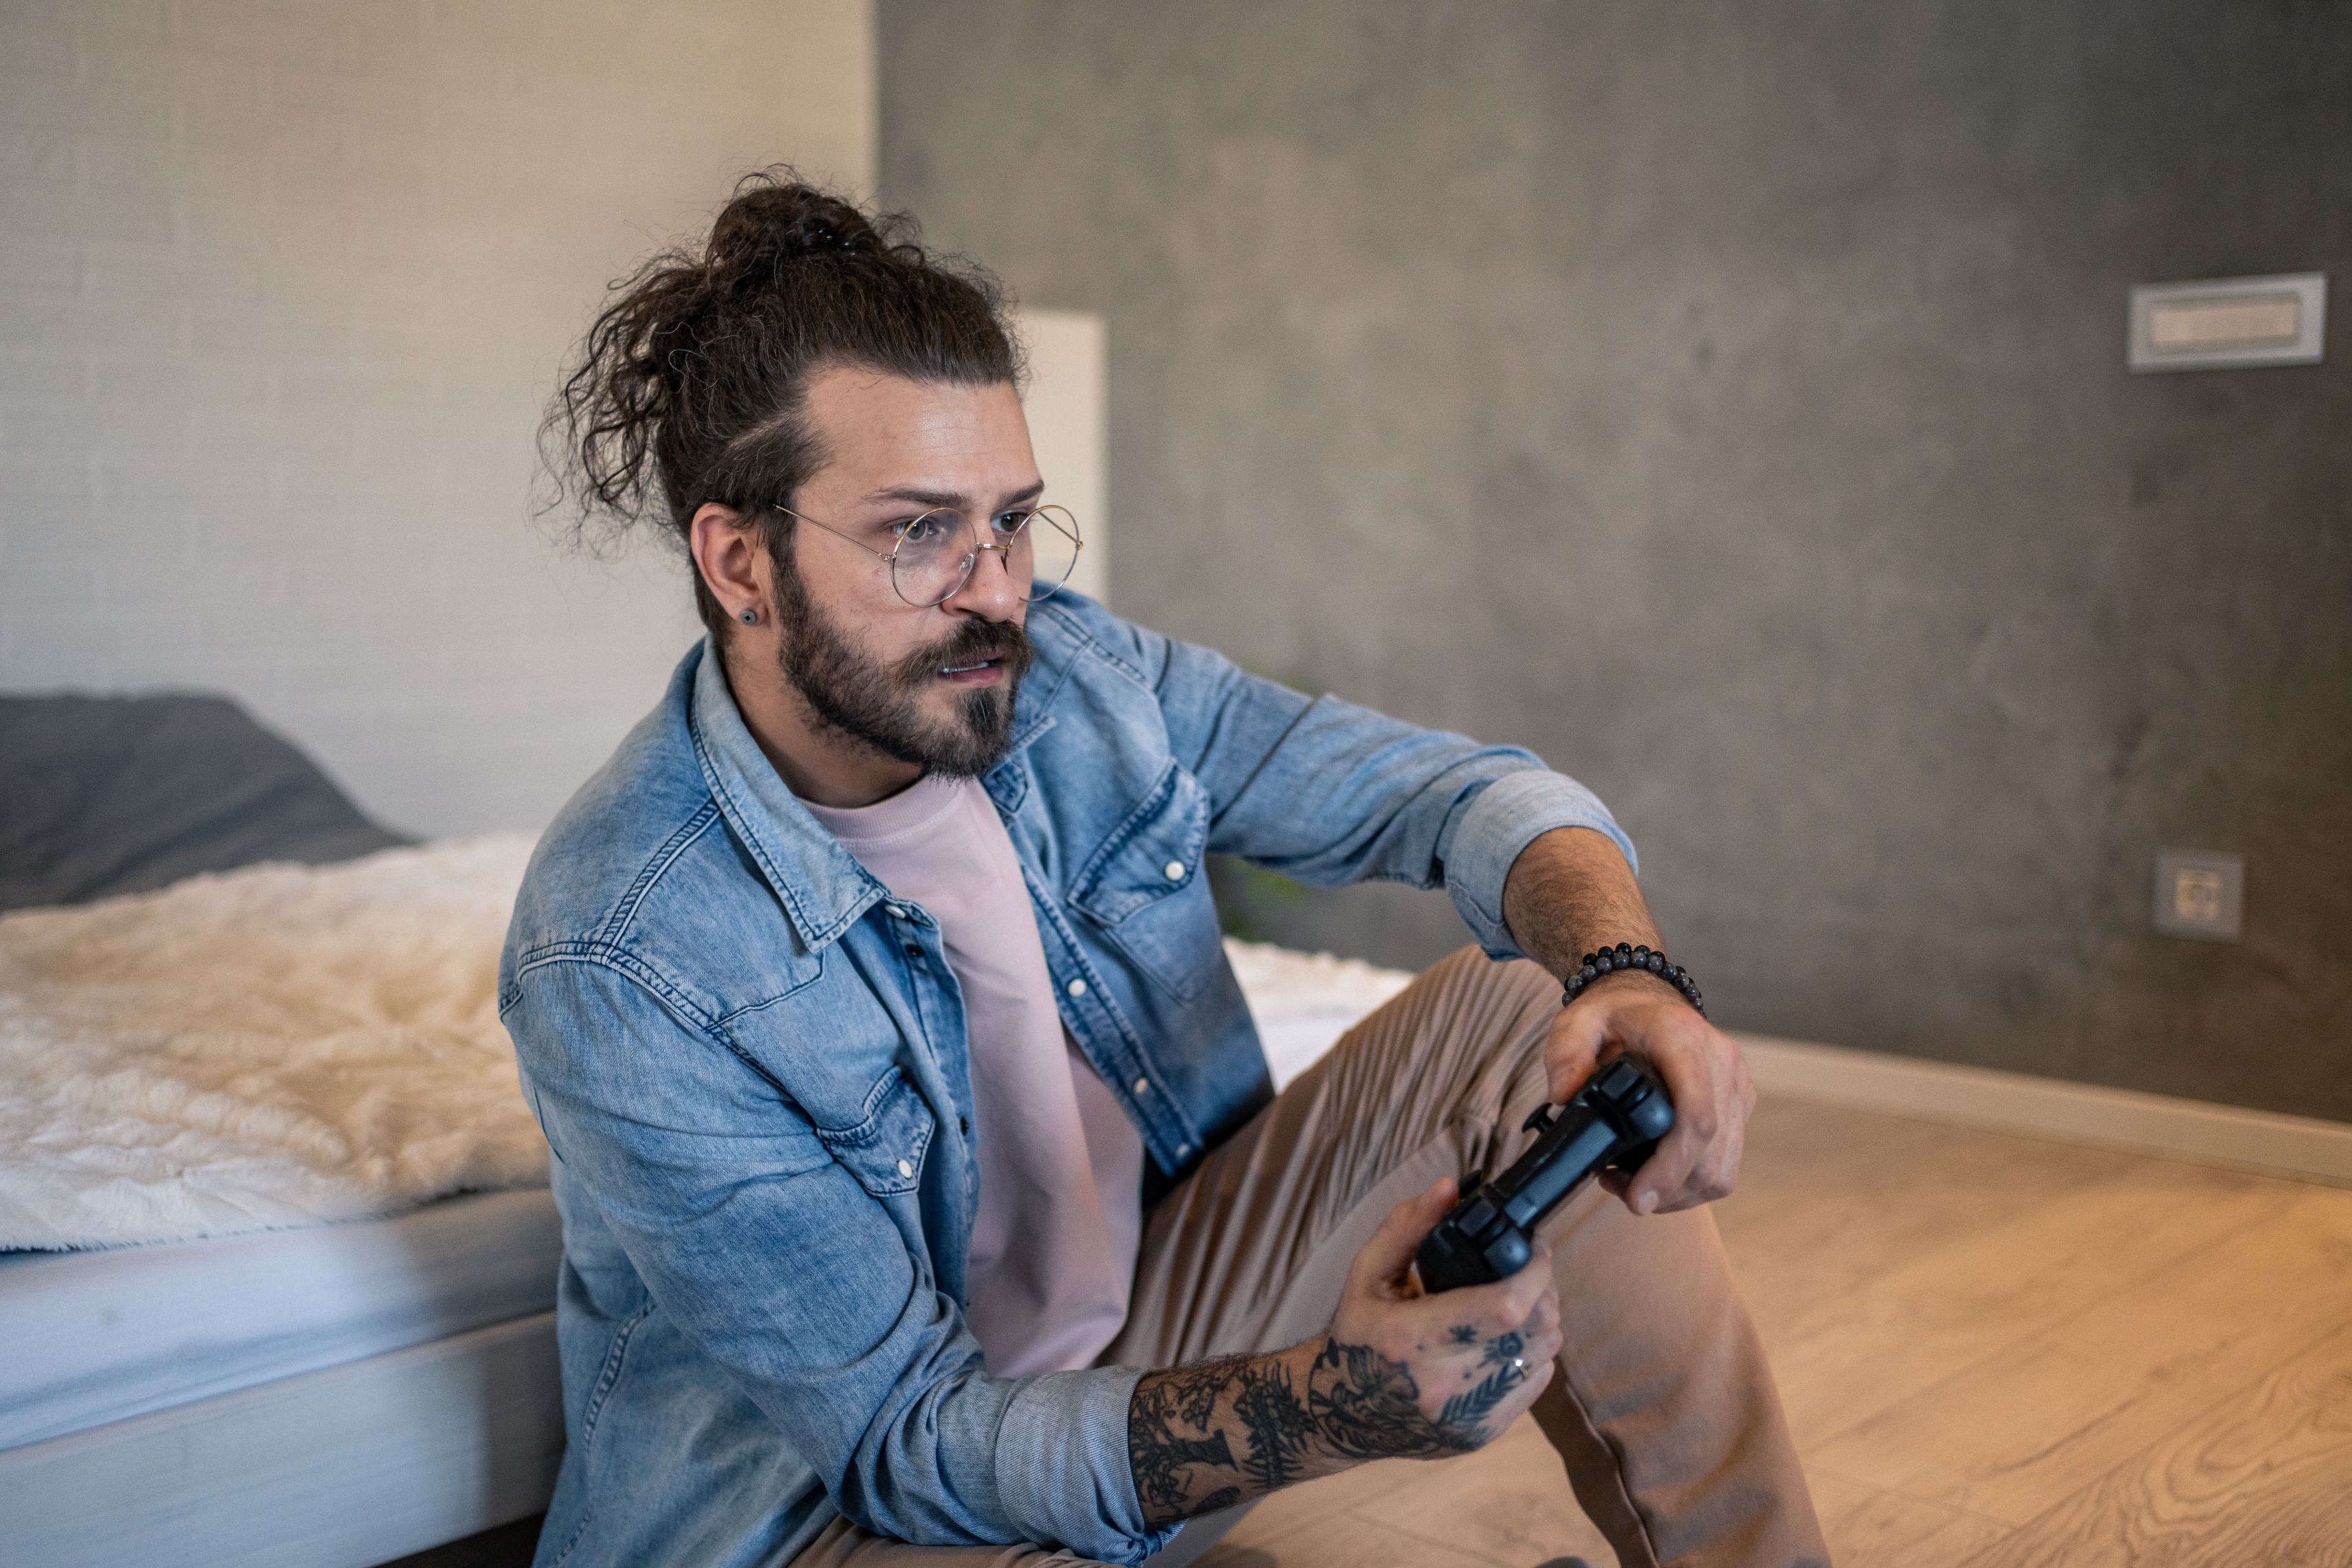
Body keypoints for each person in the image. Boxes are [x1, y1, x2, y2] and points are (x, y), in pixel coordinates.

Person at [505, 170, 1828, 1568]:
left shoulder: (1074, 677)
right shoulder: (619, 947)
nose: (996, 590)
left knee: (1526, 1019)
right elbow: (906, 1443)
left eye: (1010, 520)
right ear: (739, 562)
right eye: (917, 533)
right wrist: (1319, 1412)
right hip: (840, 1526)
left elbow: (1456, 794)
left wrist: (1628, 969)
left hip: (1114, 1372)